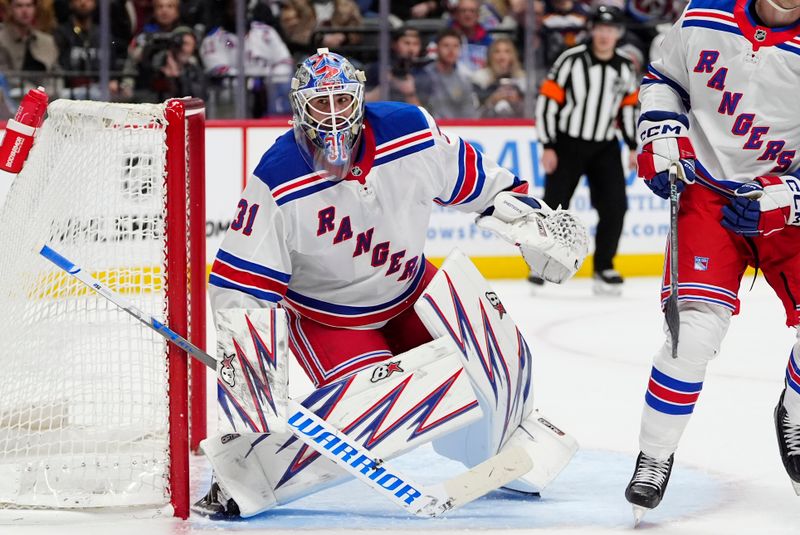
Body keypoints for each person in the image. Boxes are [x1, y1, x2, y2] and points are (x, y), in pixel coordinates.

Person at [193, 47, 588, 518]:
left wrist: (530, 223)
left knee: (501, 353)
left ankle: (501, 442)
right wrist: (251, 387)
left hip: (412, 293)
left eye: (343, 101)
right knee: (379, 413)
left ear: (361, 99)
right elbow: (241, 287)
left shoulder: (411, 130)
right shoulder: (277, 179)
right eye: (322, 104)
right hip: (333, 321)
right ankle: (250, 475)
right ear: (300, 110)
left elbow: (483, 184)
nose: (335, 116)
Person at [625, 0, 800, 524]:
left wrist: (790, 197)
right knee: (692, 336)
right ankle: (654, 456)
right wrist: (660, 128)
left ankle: (794, 412)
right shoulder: (705, 13)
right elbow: (665, 76)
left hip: (787, 202)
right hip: (708, 194)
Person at [533, 5, 638, 294]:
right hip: (567, 143)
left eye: (611, 30)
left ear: (618, 34)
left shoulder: (625, 66)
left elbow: (628, 108)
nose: (605, 35)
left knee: (615, 206)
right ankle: (541, 263)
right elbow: (547, 102)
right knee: (553, 206)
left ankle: (604, 266)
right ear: (592, 30)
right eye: (600, 28)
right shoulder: (571, 60)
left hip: (604, 145)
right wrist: (548, 145)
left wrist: (632, 145)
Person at [415, 28, 480, 118]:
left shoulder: (464, 80)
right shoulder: (424, 76)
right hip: (431, 128)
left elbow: (469, 113)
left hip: (457, 128)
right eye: (446, 45)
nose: (451, 50)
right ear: (437, 48)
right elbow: (418, 110)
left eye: (455, 46)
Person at [0, 0, 59, 92]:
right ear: (10, 9)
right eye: (19, 6)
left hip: (48, 95)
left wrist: (53, 91)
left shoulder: (47, 41)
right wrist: (33, 92)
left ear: (35, 9)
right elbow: (4, 74)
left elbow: (57, 72)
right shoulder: (1, 40)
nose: (25, 11)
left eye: (29, 5)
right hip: (14, 97)